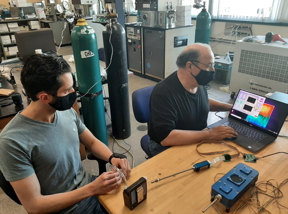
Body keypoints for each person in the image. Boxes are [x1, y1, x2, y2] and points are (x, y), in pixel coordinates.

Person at [0, 53, 131, 214]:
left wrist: (112, 157)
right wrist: (91, 189)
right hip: (66, 208)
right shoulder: (12, 141)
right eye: (67, 90)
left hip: (89, 188)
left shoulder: (66, 111)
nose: (73, 92)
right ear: (44, 97)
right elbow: (34, 206)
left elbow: (91, 142)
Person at [148, 43, 238, 156]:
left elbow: (202, 102)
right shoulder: (163, 92)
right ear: (190, 66)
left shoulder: (197, 83)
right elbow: (166, 137)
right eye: (209, 65)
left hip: (198, 136)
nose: (212, 70)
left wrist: (231, 107)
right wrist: (210, 134)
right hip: (167, 146)